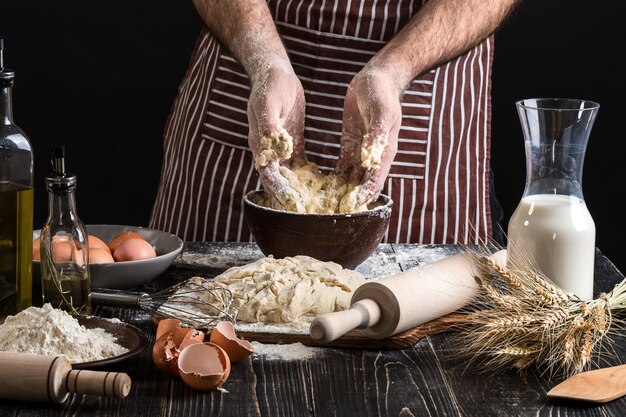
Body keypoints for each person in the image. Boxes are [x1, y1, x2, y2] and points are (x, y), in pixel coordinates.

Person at [149, 0, 517, 245]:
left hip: (421, 86)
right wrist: (265, 61)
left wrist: (392, 72)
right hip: (247, 71)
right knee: (201, 302)